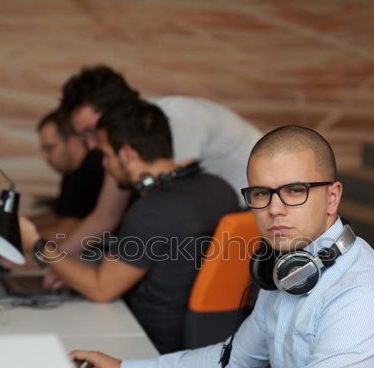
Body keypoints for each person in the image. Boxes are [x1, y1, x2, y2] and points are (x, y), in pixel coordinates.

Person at [70, 125, 374, 368]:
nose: (275, 208)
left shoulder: (363, 297)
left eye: (294, 190)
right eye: (261, 194)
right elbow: (231, 362)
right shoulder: (290, 270)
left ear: (332, 197)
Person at [20, 100, 240, 354]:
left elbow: (101, 288)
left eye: (105, 155)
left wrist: (36, 243)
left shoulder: (154, 209)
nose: (104, 165)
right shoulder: (218, 188)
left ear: (127, 155)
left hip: (150, 346)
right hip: (209, 341)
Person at [50, 65, 261, 259]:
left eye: (91, 131)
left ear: (117, 112)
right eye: (83, 136)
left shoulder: (172, 123)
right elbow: (104, 217)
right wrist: (52, 262)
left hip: (254, 207)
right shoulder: (121, 144)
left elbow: (160, 213)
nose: (91, 144)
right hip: (223, 210)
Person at [30, 109, 104, 239]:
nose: (46, 156)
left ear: (73, 142)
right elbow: (60, 214)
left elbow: (67, 231)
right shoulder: (72, 172)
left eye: (50, 148)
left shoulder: (90, 172)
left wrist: (13, 236)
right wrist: (11, 225)